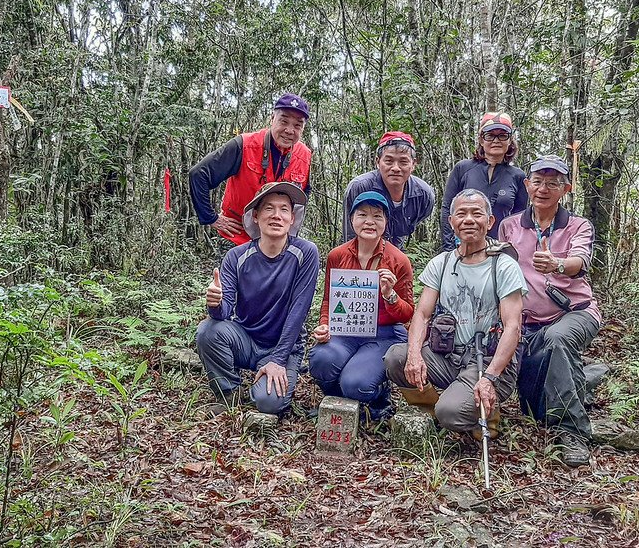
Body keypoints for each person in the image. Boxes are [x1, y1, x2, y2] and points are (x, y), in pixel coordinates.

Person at [385, 189, 527, 438]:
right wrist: (415, 355)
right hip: (447, 354)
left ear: (490, 221)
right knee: (397, 357)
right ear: (451, 222)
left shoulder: (503, 265)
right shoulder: (441, 264)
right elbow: (422, 315)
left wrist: (490, 378)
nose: (469, 220)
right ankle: (433, 411)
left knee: (451, 411)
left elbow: (513, 327)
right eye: (461, 214)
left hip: (486, 359)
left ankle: (478, 408)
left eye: (477, 214)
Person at [498, 154, 602, 467]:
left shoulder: (577, 226)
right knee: (533, 409)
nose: (544, 189)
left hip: (574, 312)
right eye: (538, 181)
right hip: (528, 322)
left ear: (565, 188)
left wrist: (558, 264)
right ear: (527, 185)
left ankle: (573, 433)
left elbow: (579, 262)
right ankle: (583, 379)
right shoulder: (510, 226)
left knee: (558, 340)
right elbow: (501, 272)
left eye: (553, 183)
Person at [196, 182, 319, 415]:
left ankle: (265, 381)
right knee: (207, 331)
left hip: (284, 346)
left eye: (284, 209)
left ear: (292, 218)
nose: (276, 215)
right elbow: (222, 314)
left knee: (268, 403)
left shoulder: (305, 253)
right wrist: (214, 303)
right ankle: (229, 392)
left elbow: (299, 310)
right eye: (269, 208)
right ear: (256, 216)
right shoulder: (237, 256)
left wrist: (278, 359)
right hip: (246, 339)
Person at [309, 192, 414, 421]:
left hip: (383, 334)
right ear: (352, 220)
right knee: (321, 360)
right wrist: (325, 325)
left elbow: (408, 313)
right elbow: (329, 300)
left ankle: (377, 396)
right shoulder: (337, 255)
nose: (369, 221)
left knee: (356, 383)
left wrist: (390, 295)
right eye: (362, 214)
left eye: (377, 216)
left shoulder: (398, 260)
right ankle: (335, 401)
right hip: (346, 330)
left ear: (386, 222)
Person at [190, 93, 312, 245]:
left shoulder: (304, 155)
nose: (289, 130)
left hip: (277, 244)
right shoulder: (245, 145)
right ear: (272, 119)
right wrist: (211, 218)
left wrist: (289, 230)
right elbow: (199, 174)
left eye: (297, 125)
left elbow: (304, 193)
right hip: (237, 237)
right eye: (284, 121)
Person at [440, 112, 528, 251]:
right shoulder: (463, 169)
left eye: (502, 135)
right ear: (481, 140)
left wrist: (513, 249)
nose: (496, 140)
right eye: (490, 135)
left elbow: (519, 219)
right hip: (463, 247)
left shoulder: (518, 176)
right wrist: (450, 249)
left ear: (510, 140)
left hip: (500, 250)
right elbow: (447, 209)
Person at [343, 132, 435, 250]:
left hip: (396, 255)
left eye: (403, 162)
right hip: (361, 254)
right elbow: (350, 237)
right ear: (377, 162)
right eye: (389, 161)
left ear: (413, 164)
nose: (395, 168)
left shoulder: (423, 195)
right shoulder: (359, 188)